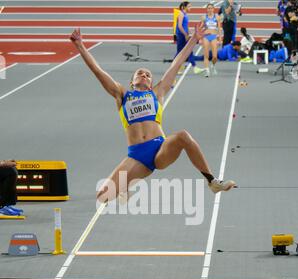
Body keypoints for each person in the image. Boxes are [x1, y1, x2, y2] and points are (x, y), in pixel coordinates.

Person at [69, 24, 236, 205]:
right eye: (139, 73)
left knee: (183, 136)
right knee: (103, 196)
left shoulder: (157, 93)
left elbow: (176, 63)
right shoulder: (122, 95)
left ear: (150, 84)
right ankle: (126, 186)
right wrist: (80, 45)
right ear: (132, 82)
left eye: (148, 75)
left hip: (160, 148)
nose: (144, 75)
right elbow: (97, 71)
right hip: (137, 155)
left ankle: (212, 181)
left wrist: (194, 40)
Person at [175, 2, 202, 74]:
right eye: (189, 6)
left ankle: (194, 67)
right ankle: (176, 68)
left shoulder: (185, 14)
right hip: (181, 35)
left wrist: (191, 31)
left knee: (187, 51)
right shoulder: (181, 14)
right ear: (184, 7)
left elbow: (185, 26)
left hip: (184, 34)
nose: (191, 8)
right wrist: (185, 34)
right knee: (180, 52)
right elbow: (180, 26)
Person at [201, 3, 222, 77]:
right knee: (206, 55)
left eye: (211, 8)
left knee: (215, 56)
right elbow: (201, 27)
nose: (210, 9)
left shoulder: (217, 17)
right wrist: (200, 37)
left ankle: (213, 65)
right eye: (208, 8)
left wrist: (220, 39)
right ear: (207, 9)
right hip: (206, 36)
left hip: (214, 36)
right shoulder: (204, 17)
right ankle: (207, 71)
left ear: (213, 9)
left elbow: (219, 29)